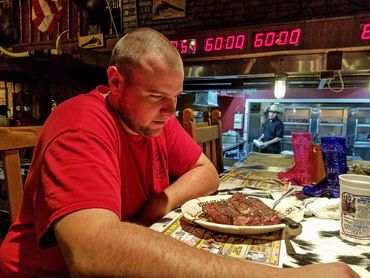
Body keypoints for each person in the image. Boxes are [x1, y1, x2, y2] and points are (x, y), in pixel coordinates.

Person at [0, 28, 359, 278]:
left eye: (175, 98)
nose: (170, 112)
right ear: (115, 82)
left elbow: (206, 172)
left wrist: (161, 201)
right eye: (157, 97)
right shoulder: (81, 123)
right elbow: (90, 253)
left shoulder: (157, 120)